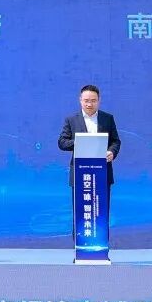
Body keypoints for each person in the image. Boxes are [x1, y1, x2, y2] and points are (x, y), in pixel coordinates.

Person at [58, 84, 120, 236]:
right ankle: (80, 247)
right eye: (86, 100)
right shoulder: (71, 120)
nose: (89, 104)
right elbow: (62, 142)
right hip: (80, 174)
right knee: (81, 212)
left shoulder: (107, 118)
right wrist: (80, 141)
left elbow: (115, 141)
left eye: (93, 100)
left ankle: (102, 245)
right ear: (80, 100)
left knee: (101, 211)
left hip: (102, 173)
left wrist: (112, 152)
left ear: (99, 100)